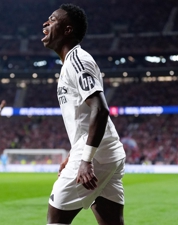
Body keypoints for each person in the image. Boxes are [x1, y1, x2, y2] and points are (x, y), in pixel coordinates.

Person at [41, 4, 126, 225]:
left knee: (56, 217)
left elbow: (100, 108)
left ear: (68, 30)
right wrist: (73, 154)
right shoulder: (69, 63)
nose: (45, 23)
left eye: (52, 19)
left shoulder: (78, 61)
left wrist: (85, 160)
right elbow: (83, 117)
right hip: (106, 150)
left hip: (95, 154)